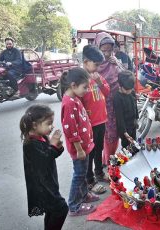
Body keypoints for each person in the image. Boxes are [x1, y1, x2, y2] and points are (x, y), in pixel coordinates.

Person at [20, 104, 68, 230]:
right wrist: (52, 145)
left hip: (49, 183)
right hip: (42, 187)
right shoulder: (30, 144)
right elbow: (45, 159)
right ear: (35, 125)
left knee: (52, 211)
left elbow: (51, 155)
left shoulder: (41, 137)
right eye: (48, 123)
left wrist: (57, 146)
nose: (52, 127)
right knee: (61, 208)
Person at [60, 67, 98, 216]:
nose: (87, 90)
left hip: (84, 146)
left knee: (82, 173)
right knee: (79, 175)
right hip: (79, 148)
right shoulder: (68, 103)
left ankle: (84, 196)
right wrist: (79, 149)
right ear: (73, 85)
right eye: (85, 87)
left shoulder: (75, 98)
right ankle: (74, 206)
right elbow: (71, 130)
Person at [81, 44, 110, 194]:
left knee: (99, 149)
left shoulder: (99, 77)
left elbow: (107, 91)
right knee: (90, 153)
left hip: (101, 120)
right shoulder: (81, 79)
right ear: (86, 62)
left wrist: (99, 82)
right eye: (95, 64)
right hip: (89, 124)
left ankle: (99, 172)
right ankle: (89, 180)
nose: (98, 68)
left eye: (99, 65)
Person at [94, 32, 125, 165]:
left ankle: (108, 159)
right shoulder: (93, 64)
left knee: (113, 133)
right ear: (98, 49)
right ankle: (100, 163)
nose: (107, 54)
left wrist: (117, 63)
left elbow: (125, 77)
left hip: (115, 104)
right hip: (99, 106)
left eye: (109, 50)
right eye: (103, 50)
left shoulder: (114, 61)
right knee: (99, 135)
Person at [113, 70, 138, 148]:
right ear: (120, 85)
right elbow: (119, 117)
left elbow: (135, 106)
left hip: (133, 124)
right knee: (127, 147)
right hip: (125, 128)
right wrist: (124, 133)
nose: (129, 91)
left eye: (131, 89)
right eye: (127, 89)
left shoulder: (131, 92)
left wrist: (136, 119)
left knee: (134, 145)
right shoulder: (117, 97)